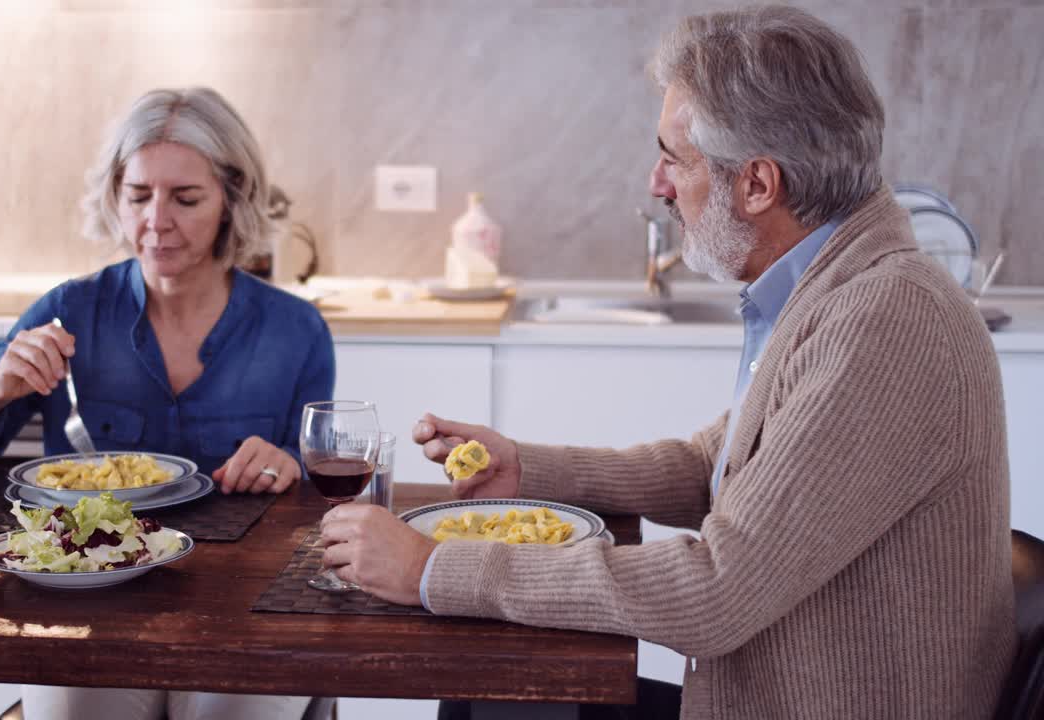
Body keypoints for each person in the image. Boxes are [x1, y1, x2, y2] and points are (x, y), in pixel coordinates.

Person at [316, 6, 1015, 720]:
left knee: (499, 701)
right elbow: (712, 467)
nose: (657, 183)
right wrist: (530, 469)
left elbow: (717, 589)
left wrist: (434, 568)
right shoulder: (835, 289)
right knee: (490, 701)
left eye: (674, 159)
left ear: (757, 185)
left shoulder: (886, 322)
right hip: (759, 697)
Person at [0, 87, 332, 720]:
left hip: (247, 609)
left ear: (232, 198)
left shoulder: (296, 330)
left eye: (186, 198)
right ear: (114, 196)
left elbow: (323, 485)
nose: (156, 221)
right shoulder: (67, 311)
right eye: (138, 195)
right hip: (88, 607)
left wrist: (288, 462)